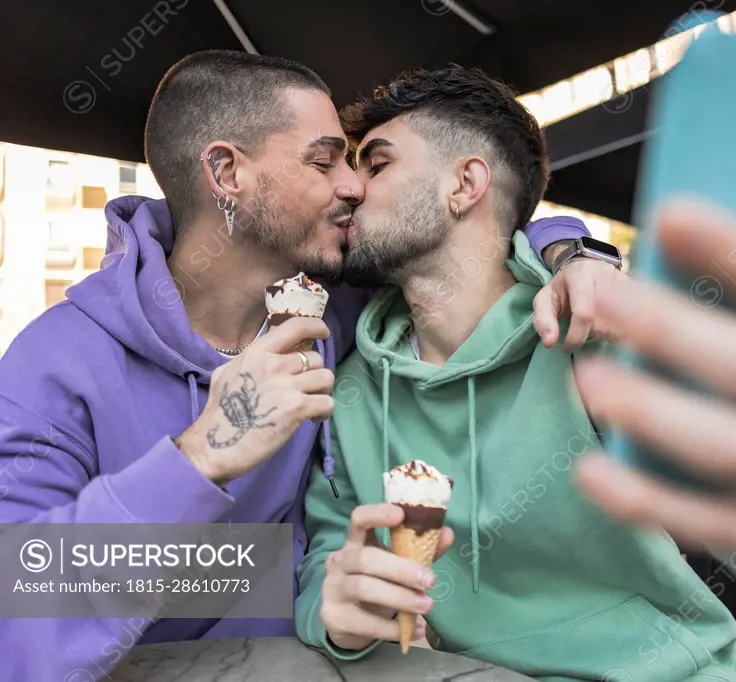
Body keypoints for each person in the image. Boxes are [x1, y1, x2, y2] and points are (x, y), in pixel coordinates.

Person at [296, 66, 736, 681]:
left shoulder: (594, 334)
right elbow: (329, 552)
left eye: (376, 163)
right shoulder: (350, 390)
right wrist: (337, 615)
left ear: (465, 185)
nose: (350, 188)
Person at [0, 51, 607, 682]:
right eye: (325, 161)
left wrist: (572, 252)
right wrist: (202, 455)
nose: (353, 186)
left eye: (356, 161)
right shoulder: (56, 362)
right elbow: (15, 623)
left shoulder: (340, 315)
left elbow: (470, 238)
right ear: (227, 171)